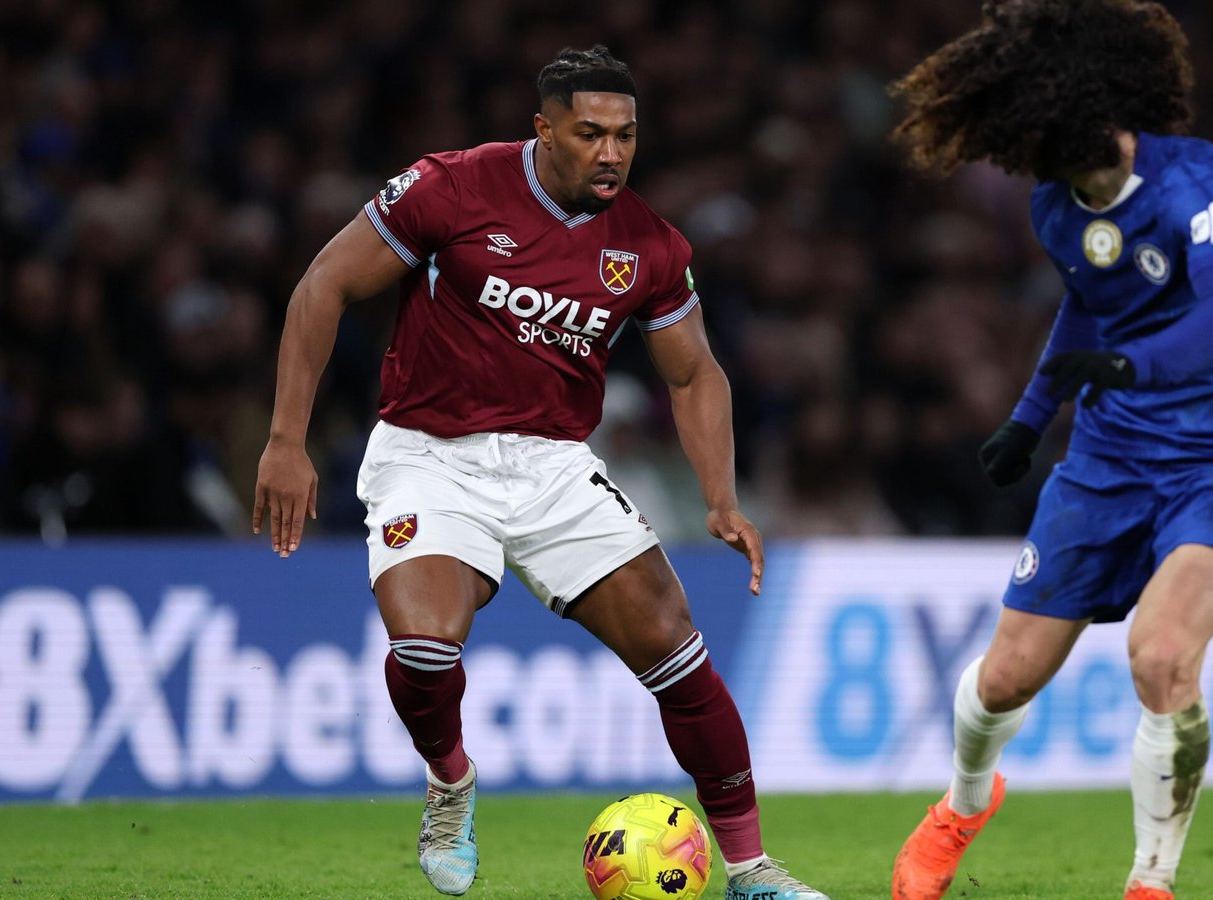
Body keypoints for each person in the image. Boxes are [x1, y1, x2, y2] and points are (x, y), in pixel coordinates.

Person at [252, 45, 828, 900]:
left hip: (554, 466)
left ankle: (749, 868)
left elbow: (695, 372)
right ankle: (450, 781)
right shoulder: (451, 187)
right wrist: (286, 441)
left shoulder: (649, 246)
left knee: (680, 657)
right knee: (424, 644)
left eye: (625, 136)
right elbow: (323, 285)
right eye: (590, 133)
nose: (611, 153)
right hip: (428, 453)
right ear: (544, 129)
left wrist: (721, 498)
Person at [886, 3, 1213, 899]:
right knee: (1003, 679)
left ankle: (1151, 880)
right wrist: (1030, 419)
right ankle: (963, 803)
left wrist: (1126, 364)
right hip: (1114, 453)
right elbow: (1089, 303)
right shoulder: (1055, 206)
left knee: (1161, 658)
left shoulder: (1202, 186)